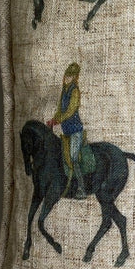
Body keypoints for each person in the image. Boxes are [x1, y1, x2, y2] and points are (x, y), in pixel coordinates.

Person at [47, 62, 88, 198]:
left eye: (70, 76)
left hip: (75, 130)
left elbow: (70, 111)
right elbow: (60, 109)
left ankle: (82, 188)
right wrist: (53, 119)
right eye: (66, 76)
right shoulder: (64, 91)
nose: (67, 78)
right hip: (66, 130)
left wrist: (59, 120)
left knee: (73, 158)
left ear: (74, 78)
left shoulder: (75, 91)